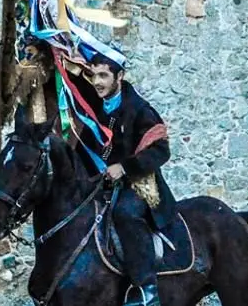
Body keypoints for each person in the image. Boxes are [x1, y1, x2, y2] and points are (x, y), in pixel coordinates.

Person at [78, 52, 177, 306]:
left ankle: (147, 288)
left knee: (124, 213)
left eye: (103, 75)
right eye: (93, 75)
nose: (97, 81)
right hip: (104, 185)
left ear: (119, 76)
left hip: (139, 184)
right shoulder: (94, 109)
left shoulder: (140, 110)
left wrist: (124, 167)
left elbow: (161, 149)